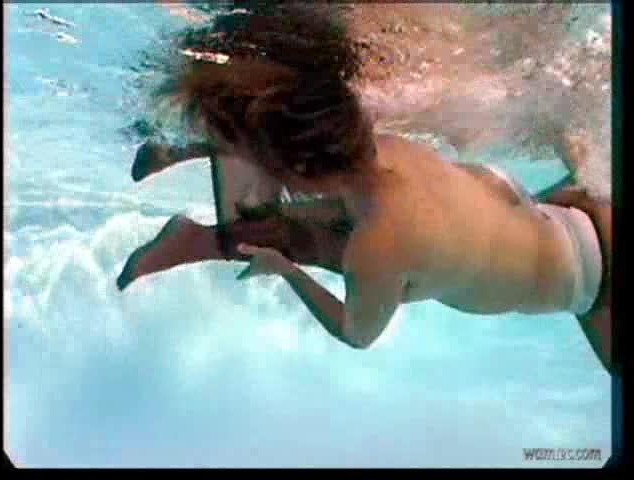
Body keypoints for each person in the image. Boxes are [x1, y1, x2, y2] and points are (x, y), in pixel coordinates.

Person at [117, 4, 613, 374]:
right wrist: (286, 269)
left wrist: (288, 268)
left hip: (558, 217)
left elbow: (356, 331)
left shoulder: (381, 154)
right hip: (581, 250)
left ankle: (209, 185)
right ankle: (210, 227)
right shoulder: (377, 230)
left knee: (366, 241)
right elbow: (357, 332)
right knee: (366, 251)